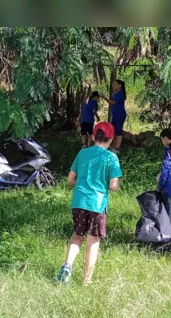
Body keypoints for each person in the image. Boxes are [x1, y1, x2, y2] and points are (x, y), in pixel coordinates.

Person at [56, 121, 122, 286]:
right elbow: (113, 186)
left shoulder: (82, 153)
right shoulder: (111, 158)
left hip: (78, 201)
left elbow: (70, 179)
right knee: (93, 242)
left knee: (77, 236)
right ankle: (86, 281)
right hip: (97, 205)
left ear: (93, 136)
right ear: (111, 139)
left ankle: (67, 265)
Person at [100, 79, 126, 154]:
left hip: (119, 114)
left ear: (120, 85)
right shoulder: (115, 93)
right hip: (115, 114)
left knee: (118, 131)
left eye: (115, 84)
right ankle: (114, 146)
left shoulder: (120, 94)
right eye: (112, 84)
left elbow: (112, 102)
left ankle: (117, 148)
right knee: (113, 130)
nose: (113, 86)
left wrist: (103, 97)